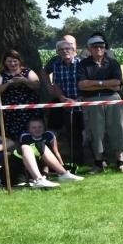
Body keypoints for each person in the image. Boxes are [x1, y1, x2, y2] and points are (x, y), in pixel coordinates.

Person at [76, 36, 123, 173]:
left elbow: (117, 84)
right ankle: (99, 163)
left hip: (113, 98)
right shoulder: (83, 65)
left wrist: (93, 83)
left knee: (117, 128)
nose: (99, 49)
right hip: (92, 100)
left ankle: (120, 162)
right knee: (95, 131)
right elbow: (82, 85)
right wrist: (105, 84)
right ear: (89, 49)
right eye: (95, 47)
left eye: (101, 46)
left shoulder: (113, 63)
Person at [42, 37, 85, 169]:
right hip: (61, 99)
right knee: (54, 130)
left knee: (77, 131)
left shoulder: (81, 63)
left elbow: (86, 82)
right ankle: (52, 161)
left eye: (67, 49)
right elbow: (46, 73)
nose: (65, 51)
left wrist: (78, 100)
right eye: (61, 50)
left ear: (74, 50)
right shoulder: (55, 62)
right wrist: (55, 92)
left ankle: (80, 160)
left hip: (80, 100)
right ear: (57, 52)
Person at [0, 49, 44, 143]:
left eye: (15, 61)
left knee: (31, 131)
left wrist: (24, 80)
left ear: (19, 61)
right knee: (12, 135)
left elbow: (37, 85)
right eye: (9, 61)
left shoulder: (27, 71)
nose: (12, 63)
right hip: (10, 112)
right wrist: (8, 83)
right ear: (5, 62)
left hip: (29, 110)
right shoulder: (1, 74)